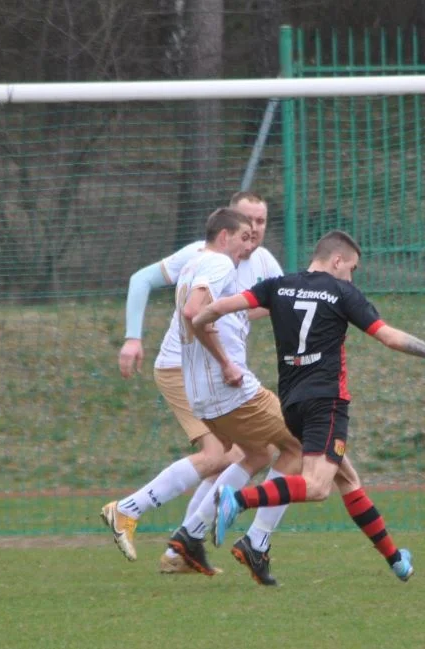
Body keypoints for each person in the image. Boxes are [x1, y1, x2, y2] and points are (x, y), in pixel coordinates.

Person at [197, 230, 425, 582]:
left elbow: (218, 307)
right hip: (326, 403)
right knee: (316, 487)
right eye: (351, 267)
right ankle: (239, 500)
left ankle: (397, 560)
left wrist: (195, 325)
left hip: (292, 405)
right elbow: (388, 336)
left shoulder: (277, 285)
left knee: (348, 479)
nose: (352, 276)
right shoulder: (342, 292)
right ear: (337, 260)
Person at [102, 207, 299, 578]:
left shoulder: (253, 260)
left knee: (249, 453)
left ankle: (186, 541)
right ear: (226, 231)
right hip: (191, 372)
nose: (255, 233)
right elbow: (182, 304)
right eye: (248, 226)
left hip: (207, 377)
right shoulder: (210, 260)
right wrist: (224, 360)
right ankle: (133, 511)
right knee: (236, 453)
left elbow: (264, 304)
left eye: (262, 223)